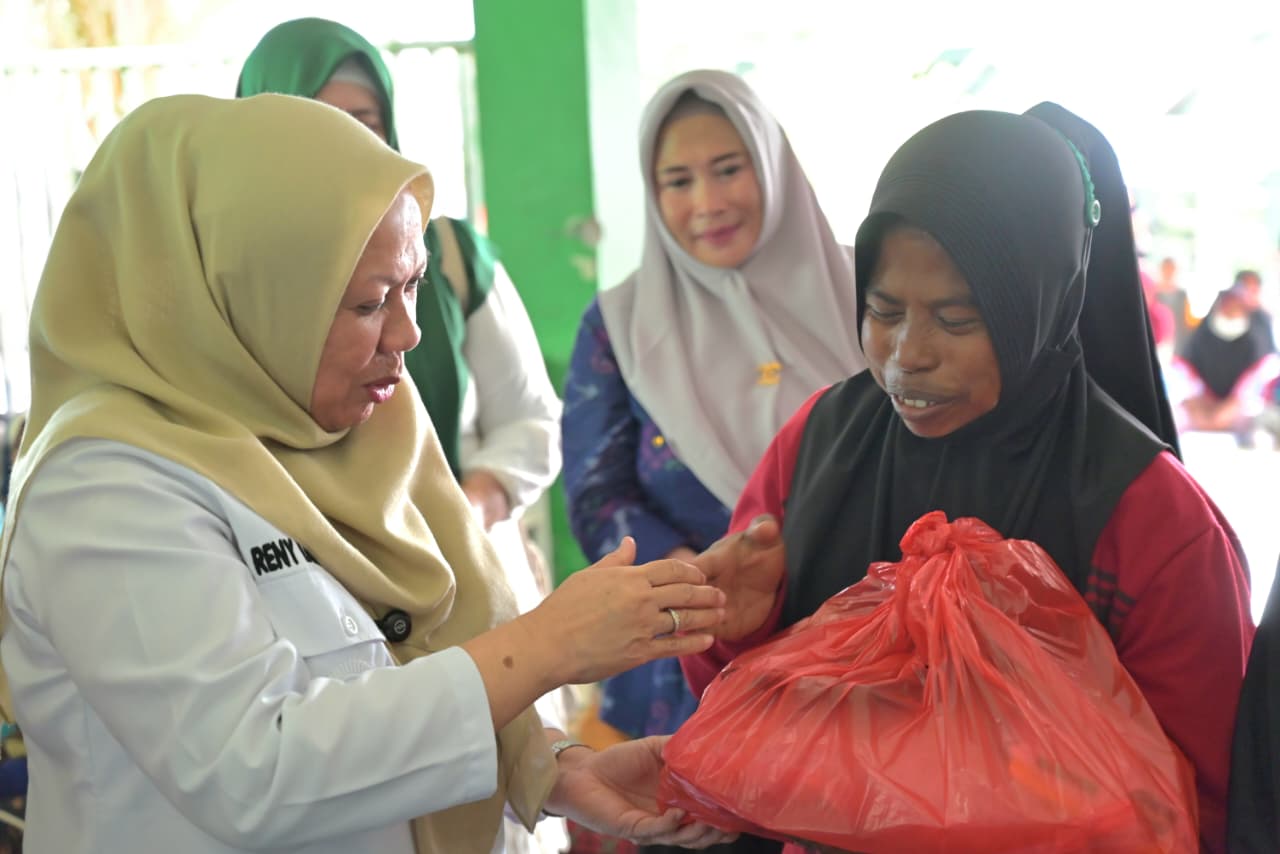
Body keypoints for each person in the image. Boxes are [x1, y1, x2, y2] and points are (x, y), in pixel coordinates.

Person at [0, 93, 738, 854]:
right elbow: (252, 768)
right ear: (252, 296)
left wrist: (545, 764)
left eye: (412, 285)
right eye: (367, 303)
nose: (408, 334)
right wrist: (548, 645)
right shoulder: (105, 487)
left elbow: (417, 648)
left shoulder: (367, 428)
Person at [682, 104, 1253, 854]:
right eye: (884, 310)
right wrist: (731, 631)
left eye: (956, 320)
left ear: (1040, 309)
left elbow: (1201, 803)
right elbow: (738, 713)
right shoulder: (817, 445)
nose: (906, 356)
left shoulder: (1149, 519)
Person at [561, 69, 863, 852]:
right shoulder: (621, 325)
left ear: (771, 164)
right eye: (677, 180)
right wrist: (693, 580)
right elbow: (598, 492)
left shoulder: (865, 291)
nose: (708, 203)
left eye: (729, 169)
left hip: (851, 648)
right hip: (683, 652)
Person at [238, 16, 561, 606]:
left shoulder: (452, 257)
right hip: (323, 598)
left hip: (469, 572)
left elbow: (532, 420)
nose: (405, 332)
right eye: (316, 125)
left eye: (364, 125)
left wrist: (463, 510)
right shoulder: (236, 289)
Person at [1168, 270, 1280, 445]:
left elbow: (1258, 381)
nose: (1230, 311)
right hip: (1200, 408)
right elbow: (1183, 372)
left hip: (1238, 410)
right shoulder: (1201, 337)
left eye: (1236, 308)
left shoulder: (1255, 342)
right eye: (1226, 307)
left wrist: (1229, 408)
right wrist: (1198, 402)